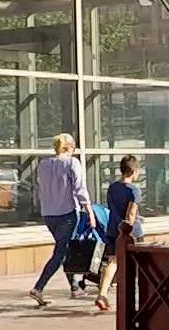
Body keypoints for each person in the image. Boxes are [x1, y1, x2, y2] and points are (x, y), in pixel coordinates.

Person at [29, 133, 93, 308]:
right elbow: (80, 188)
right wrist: (89, 211)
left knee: (63, 248)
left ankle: (74, 287)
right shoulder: (72, 163)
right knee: (61, 253)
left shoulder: (43, 164)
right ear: (70, 147)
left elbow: (39, 185)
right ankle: (38, 287)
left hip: (49, 214)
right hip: (67, 213)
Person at [93, 156, 144, 312]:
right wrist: (130, 227)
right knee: (136, 265)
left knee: (112, 262)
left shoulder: (112, 187)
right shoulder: (134, 190)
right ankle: (132, 297)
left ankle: (102, 294)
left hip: (113, 228)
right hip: (130, 232)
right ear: (133, 171)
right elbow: (130, 214)